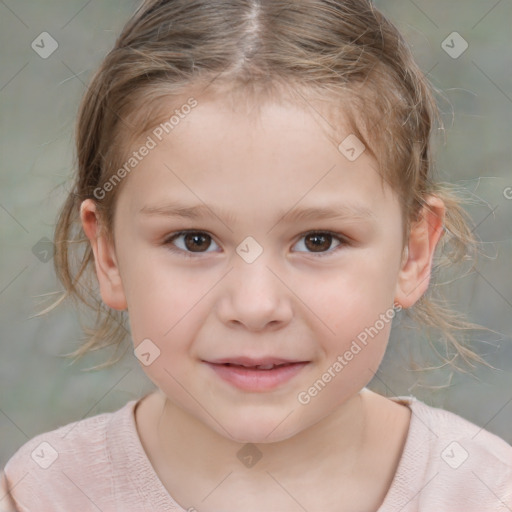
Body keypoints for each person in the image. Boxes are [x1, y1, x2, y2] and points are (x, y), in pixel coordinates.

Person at [2, 0, 511, 510]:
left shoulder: (484, 490)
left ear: (412, 254)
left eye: (319, 240)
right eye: (194, 240)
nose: (255, 305)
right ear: (108, 254)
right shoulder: (44, 492)